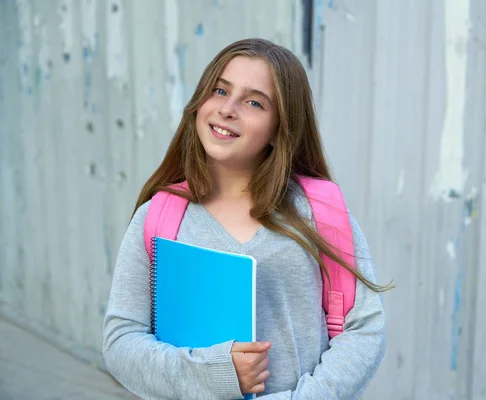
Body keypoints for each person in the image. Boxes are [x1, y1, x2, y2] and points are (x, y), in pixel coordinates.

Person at [102, 38, 389, 399]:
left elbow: (364, 328)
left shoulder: (320, 214)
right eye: (220, 90)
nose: (228, 109)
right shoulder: (158, 217)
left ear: (279, 128)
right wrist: (214, 374)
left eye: (254, 102)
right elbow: (120, 341)